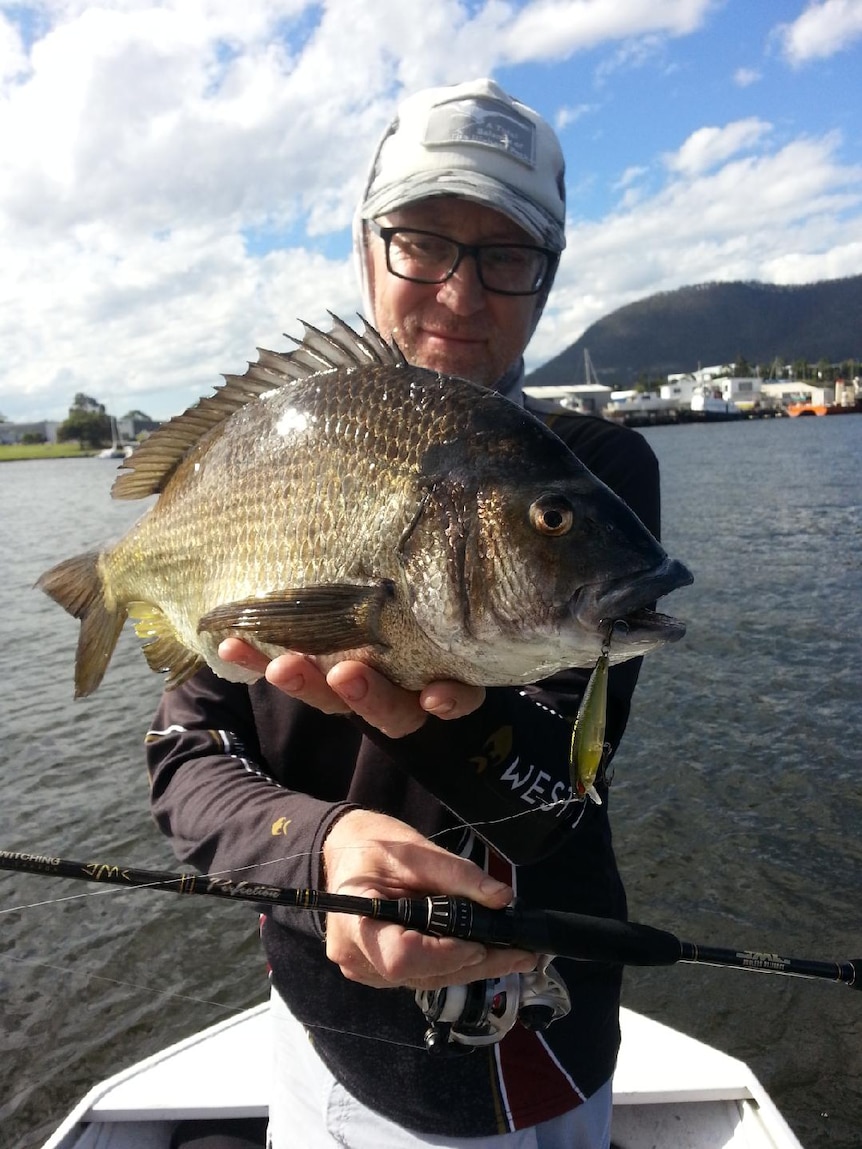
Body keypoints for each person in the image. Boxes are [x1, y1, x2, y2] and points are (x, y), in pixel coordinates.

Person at [146, 78, 661, 1149]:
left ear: (548, 277)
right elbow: (185, 756)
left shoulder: (595, 469)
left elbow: (560, 797)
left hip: (554, 1028)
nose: (461, 297)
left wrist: (439, 718)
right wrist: (316, 849)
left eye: (507, 255)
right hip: (333, 1035)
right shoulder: (258, 457)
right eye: (421, 242)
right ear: (364, 247)